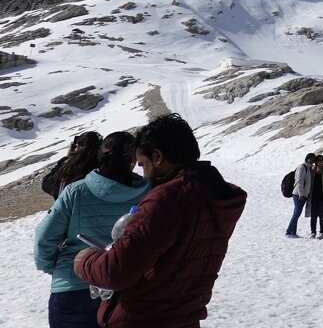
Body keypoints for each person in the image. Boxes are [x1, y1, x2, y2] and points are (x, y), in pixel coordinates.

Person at [74, 113, 246, 328]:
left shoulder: (166, 199)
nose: (144, 174)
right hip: (185, 317)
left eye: (144, 164)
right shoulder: (215, 194)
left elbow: (117, 272)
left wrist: (85, 261)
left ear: (157, 157)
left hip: (145, 318)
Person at [34, 132, 148, 328]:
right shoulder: (149, 193)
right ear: (133, 161)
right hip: (125, 288)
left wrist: (54, 268)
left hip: (72, 286)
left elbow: (45, 236)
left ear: (100, 155)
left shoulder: (76, 191)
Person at [42, 131, 102, 200]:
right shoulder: (103, 166)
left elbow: (46, 183)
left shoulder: (69, 169)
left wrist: (67, 159)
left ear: (79, 147)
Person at [285, 153, 315, 237]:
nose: (312, 161)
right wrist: (301, 194)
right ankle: (288, 231)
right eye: (311, 159)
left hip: (303, 195)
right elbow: (299, 182)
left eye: (313, 159)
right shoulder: (302, 167)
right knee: (297, 213)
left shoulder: (308, 168)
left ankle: (293, 232)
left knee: (296, 213)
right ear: (307, 158)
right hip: (298, 194)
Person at [306, 155, 323, 239]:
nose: (321, 162)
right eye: (319, 160)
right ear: (316, 162)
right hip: (313, 197)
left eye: (322, 160)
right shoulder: (311, 171)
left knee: (322, 215)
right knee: (313, 215)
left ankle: (322, 233)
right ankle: (313, 232)